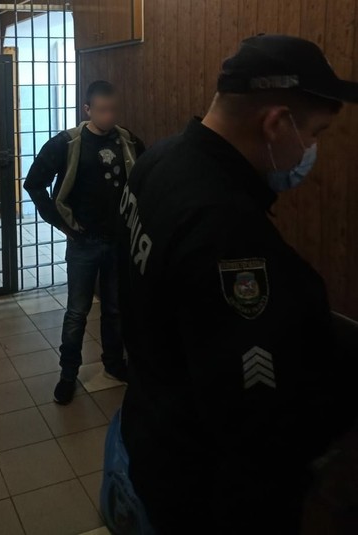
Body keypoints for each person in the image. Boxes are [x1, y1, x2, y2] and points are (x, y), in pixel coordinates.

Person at [109, 35, 358, 534]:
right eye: (315, 133)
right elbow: (256, 417)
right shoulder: (227, 232)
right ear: (276, 123)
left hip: (152, 430)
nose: (312, 150)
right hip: (206, 491)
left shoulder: (158, 161)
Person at [24, 80, 145, 405]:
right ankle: (68, 374)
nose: (109, 116)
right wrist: (60, 222)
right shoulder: (67, 143)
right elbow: (34, 183)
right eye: (102, 110)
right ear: (88, 109)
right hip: (83, 242)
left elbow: (146, 176)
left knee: (115, 309)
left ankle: (114, 364)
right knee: (77, 311)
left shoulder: (128, 141)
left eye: (114, 110)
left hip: (118, 241)